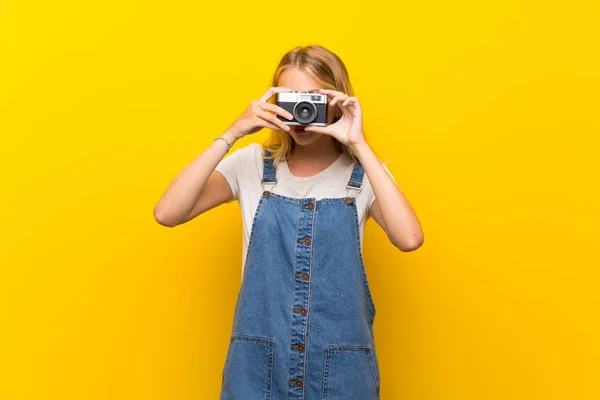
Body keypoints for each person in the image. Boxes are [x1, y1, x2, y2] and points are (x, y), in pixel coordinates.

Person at [153, 44, 424, 400]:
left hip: (340, 373)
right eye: (291, 98)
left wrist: (359, 144)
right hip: (257, 369)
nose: (302, 112)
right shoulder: (252, 165)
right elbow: (168, 212)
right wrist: (232, 133)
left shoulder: (364, 174)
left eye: (314, 98)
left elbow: (409, 238)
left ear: (339, 100)